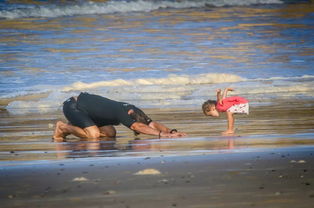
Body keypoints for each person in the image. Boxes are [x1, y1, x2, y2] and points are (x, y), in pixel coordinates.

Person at [53, 92, 186, 142]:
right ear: (130, 115)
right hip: (74, 105)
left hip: (88, 111)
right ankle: (63, 128)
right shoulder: (125, 113)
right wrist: (161, 135)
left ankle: (77, 126)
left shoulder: (134, 111)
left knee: (110, 133)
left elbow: (151, 124)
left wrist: (170, 131)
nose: (134, 130)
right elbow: (138, 126)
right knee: (93, 135)